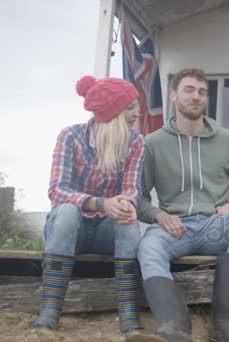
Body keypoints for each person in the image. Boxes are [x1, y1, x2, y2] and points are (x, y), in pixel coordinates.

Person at [136, 68, 229, 342]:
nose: (196, 97)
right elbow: (139, 199)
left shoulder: (228, 140)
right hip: (174, 230)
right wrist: (159, 215)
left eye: (202, 92)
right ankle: (175, 327)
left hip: (214, 227)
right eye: (189, 90)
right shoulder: (153, 143)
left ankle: (222, 323)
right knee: (148, 246)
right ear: (173, 96)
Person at [33, 76, 150, 339]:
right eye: (130, 107)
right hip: (68, 233)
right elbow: (57, 190)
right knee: (66, 210)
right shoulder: (70, 136)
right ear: (113, 110)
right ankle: (50, 311)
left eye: (136, 106)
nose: (136, 113)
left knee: (128, 218)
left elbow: (132, 188)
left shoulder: (135, 142)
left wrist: (126, 203)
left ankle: (129, 316)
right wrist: (99, 203)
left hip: (105, 233)